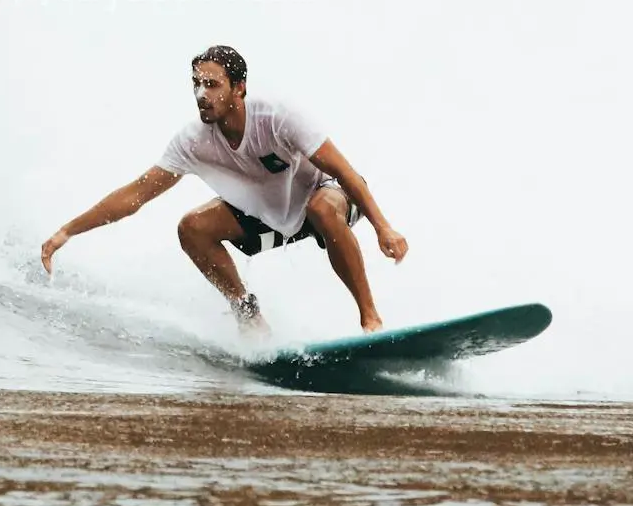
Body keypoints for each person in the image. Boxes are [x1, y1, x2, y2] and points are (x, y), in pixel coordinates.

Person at [41, 44, 408, 334]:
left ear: (240, 88)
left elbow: (346, 172)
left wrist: (383, 227)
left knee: (323, 209)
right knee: (192, 227)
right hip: (274, 217)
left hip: (328, 194)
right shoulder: (193, 141)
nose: (202, 93)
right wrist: (67, 231)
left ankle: (370, 319)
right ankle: (248, 317)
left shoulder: (277, 117)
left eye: (212, 84)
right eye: (196, 85)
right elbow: (135, 195)